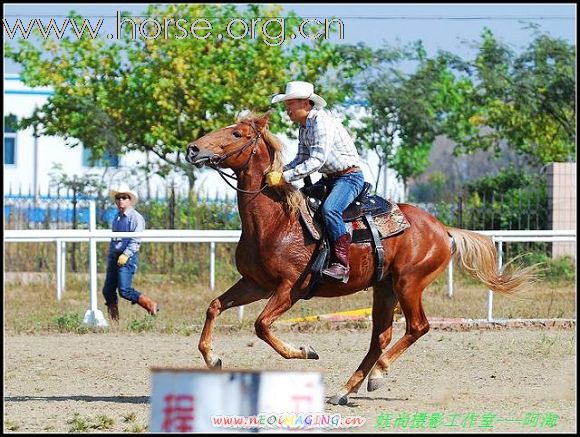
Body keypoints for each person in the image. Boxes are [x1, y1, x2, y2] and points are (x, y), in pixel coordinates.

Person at [266, 81, 365, 283]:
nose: (287, 109)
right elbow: (301, 157)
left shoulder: (322, 123)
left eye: (290, 104)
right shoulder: (304, 127)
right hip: (331, 179)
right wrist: (279, 170)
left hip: (349, 177)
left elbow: (316, 160)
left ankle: (341, 265)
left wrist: (285, 177)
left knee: (330, 210)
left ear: (305, 103)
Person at [102, 184, 159, 321]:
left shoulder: (135, 217)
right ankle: (114, 321)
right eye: (118, 197)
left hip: (127, 257)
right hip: (115, 256)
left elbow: (136, 239)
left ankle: (149, 304)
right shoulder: (117, 217)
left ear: (129, 200)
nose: (121, 200)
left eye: (124, 197)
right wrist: (112, 254)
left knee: (124, 290)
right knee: (108, 290)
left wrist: (126, 254)